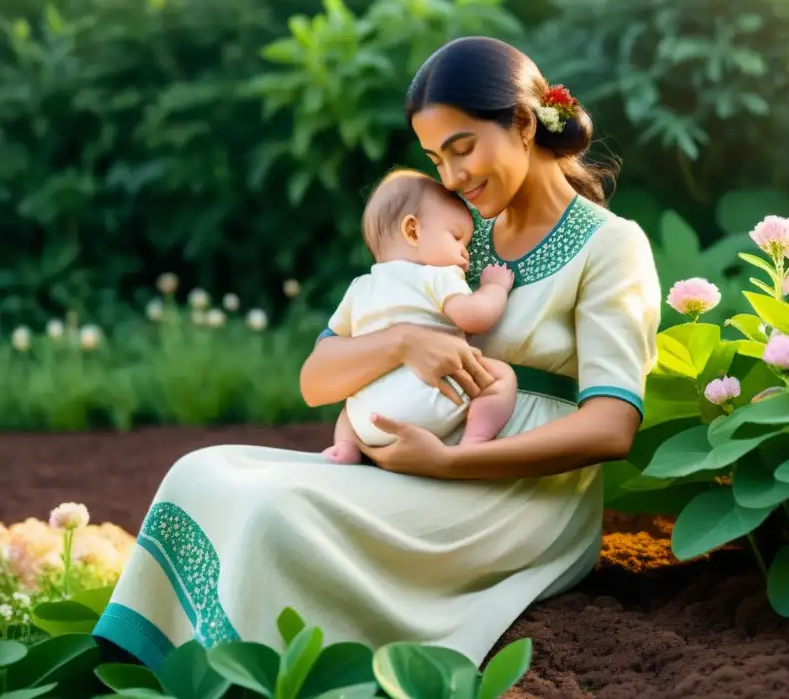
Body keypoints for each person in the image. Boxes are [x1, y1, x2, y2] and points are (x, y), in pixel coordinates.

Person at [91, 35, 662, 670]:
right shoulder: (459, 234)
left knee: (277, 514)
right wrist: (401, 341)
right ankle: (160, 673)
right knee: (200, 470)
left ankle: (257, 679)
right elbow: (317, 382)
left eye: (462, 148)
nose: (452, 178)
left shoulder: (612, 245)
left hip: (519, 498)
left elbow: (612, 427)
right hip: (419, 456)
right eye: (435, 159)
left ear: (525, 124)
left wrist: (446, 464)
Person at [323, 168, 518, 464]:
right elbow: (475, 317)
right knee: (501, 378)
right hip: (426, 401)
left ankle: (346, 446)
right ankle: (474, 442)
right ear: (413, 231)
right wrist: (494, 288)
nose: (465, 255)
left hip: (368, 418)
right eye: (457, 238)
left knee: (349, 406)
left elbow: (334, 342)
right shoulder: (437, 275)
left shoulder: (359, 287)